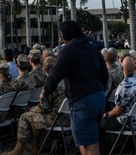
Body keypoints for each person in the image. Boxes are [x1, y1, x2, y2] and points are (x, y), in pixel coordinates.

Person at [41, 20, 109, 155]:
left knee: (92, 147)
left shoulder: (68, 50)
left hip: (83, 102)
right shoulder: (92, 48)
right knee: (83, 141)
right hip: (99, 98)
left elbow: (55, 73)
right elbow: (105, 75)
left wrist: (45, 91)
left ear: (65, 34)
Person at [99, 56, 136, 143]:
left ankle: (107, 150)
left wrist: (106, 114)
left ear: (121, 68)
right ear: (135, 67)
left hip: (127, 123)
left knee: (97, 123)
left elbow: (118, 111)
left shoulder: (124, 86)